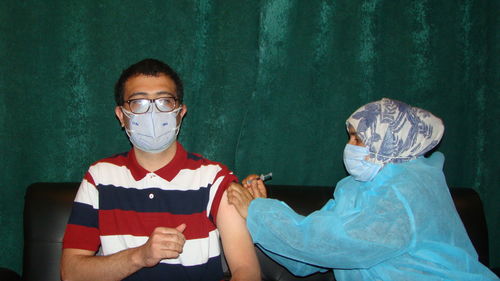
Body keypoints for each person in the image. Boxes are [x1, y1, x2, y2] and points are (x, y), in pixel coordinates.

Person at [228, 98, 498, 281]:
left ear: (390, 142)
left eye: (359, 138)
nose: (350, 146)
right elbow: (306, 259)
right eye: (350, 137)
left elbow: (332, 244)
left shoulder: (406, 190)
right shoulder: (357, 187)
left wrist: (258, 211)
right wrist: (259, 211)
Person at [60, 58, 260, 281]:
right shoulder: (99, 177)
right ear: (121, 115)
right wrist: (140, 256)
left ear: (180, 112)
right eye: (139, 102)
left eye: (165, 101)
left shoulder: (213, 178)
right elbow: (71, 272)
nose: (153, 113)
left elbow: (247, 271)